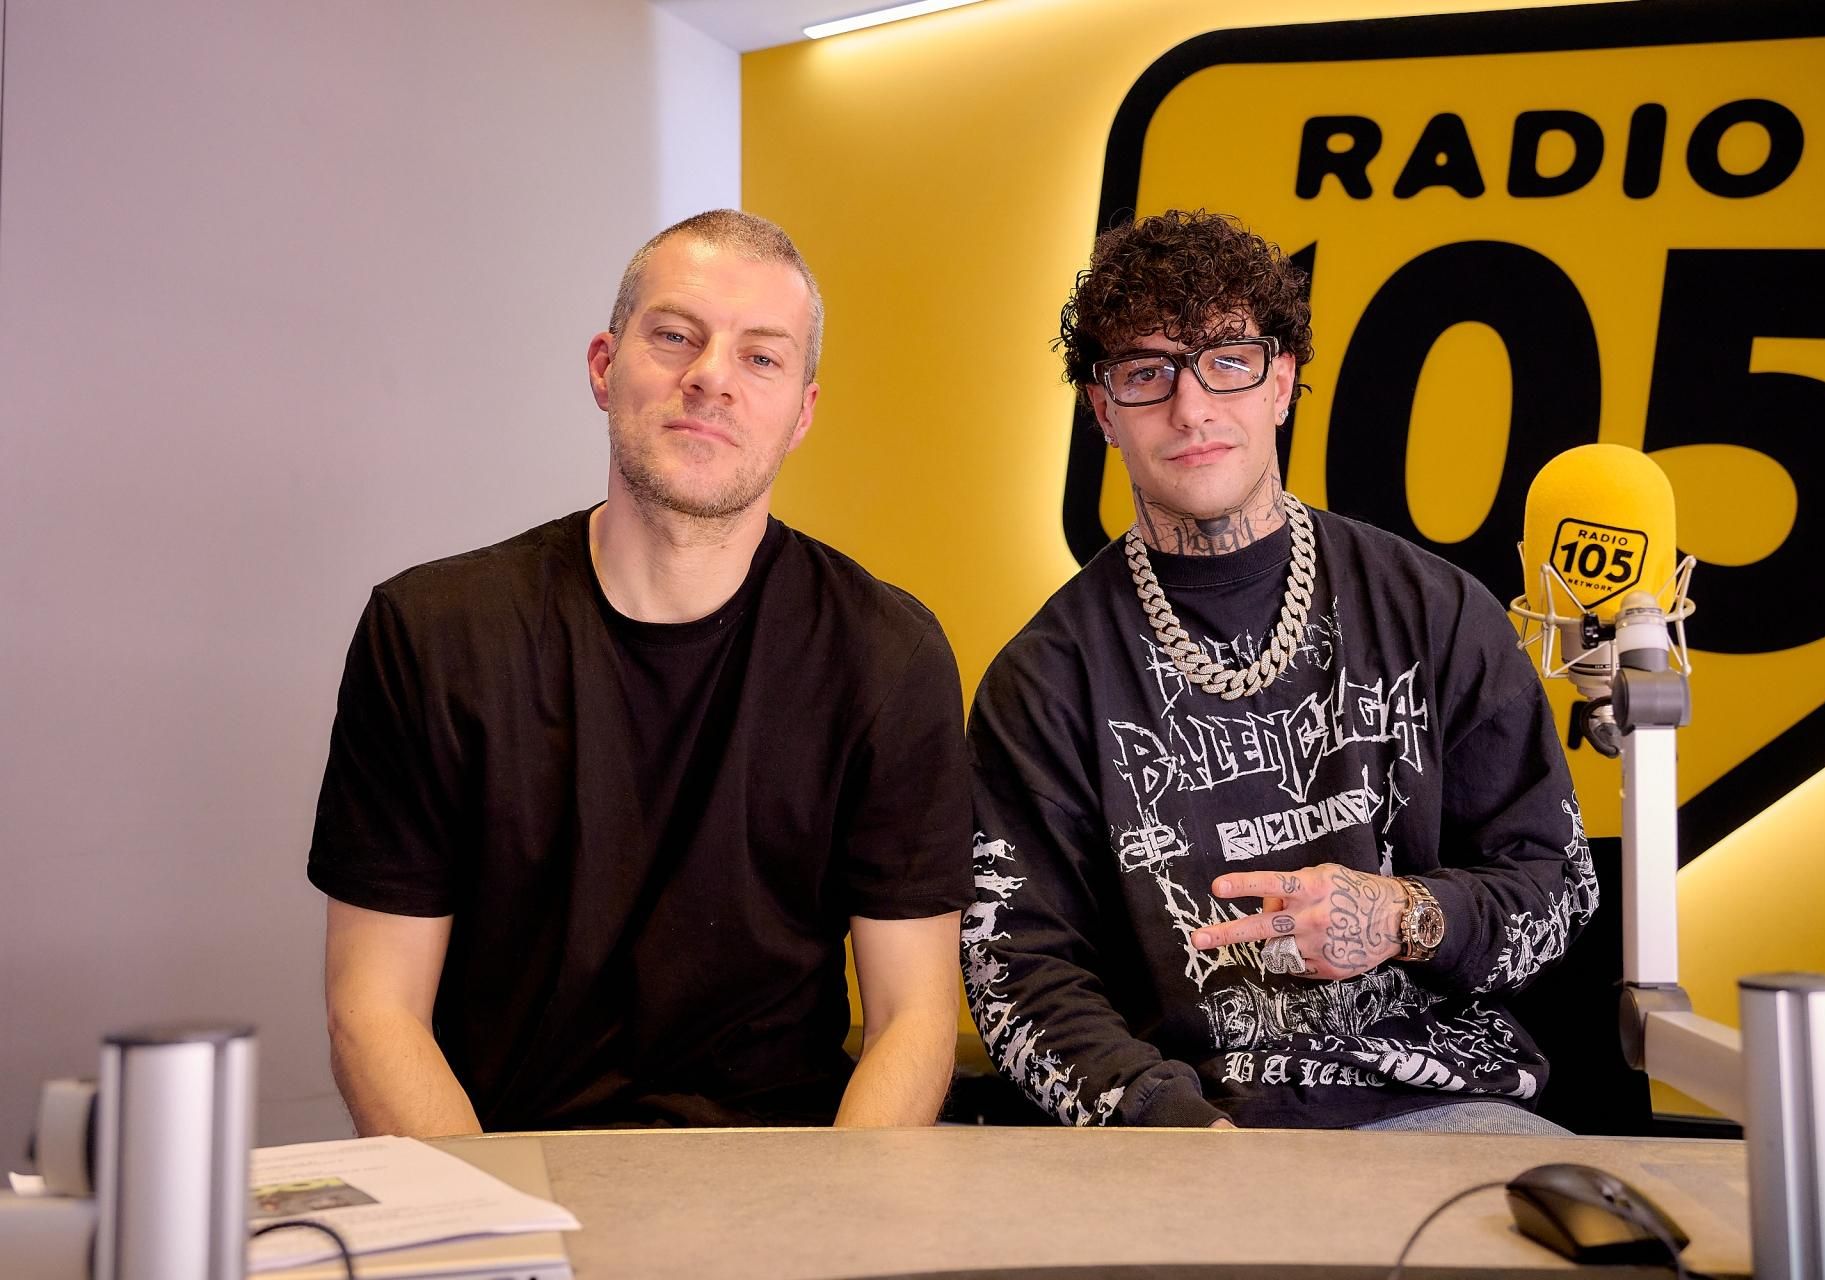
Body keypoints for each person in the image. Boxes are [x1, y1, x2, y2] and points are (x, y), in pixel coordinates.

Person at [311, 210, 970, 1135]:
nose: (711, 377)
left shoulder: (886, 655)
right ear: (603, 366)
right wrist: (498, 1219)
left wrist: (836, 1218)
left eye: (761, 357)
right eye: (674, 336)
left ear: (801, 415)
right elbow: (374, 1011)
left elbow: (913, 1018)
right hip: (505, 1168)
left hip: (786, 1183)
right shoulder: (431, 635)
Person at [964, 210, 1595, 1132]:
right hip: (1195, 1131)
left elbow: (1558, 887)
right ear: (1103, 411)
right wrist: (1170, 1129)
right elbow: (1018, 969)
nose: (1191, 408)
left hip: (1444, 1111)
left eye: (1228, 360)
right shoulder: (1044, 682)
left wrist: (1403, 914)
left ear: (1284, 382)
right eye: (1147, 372)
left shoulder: (1438, 612)